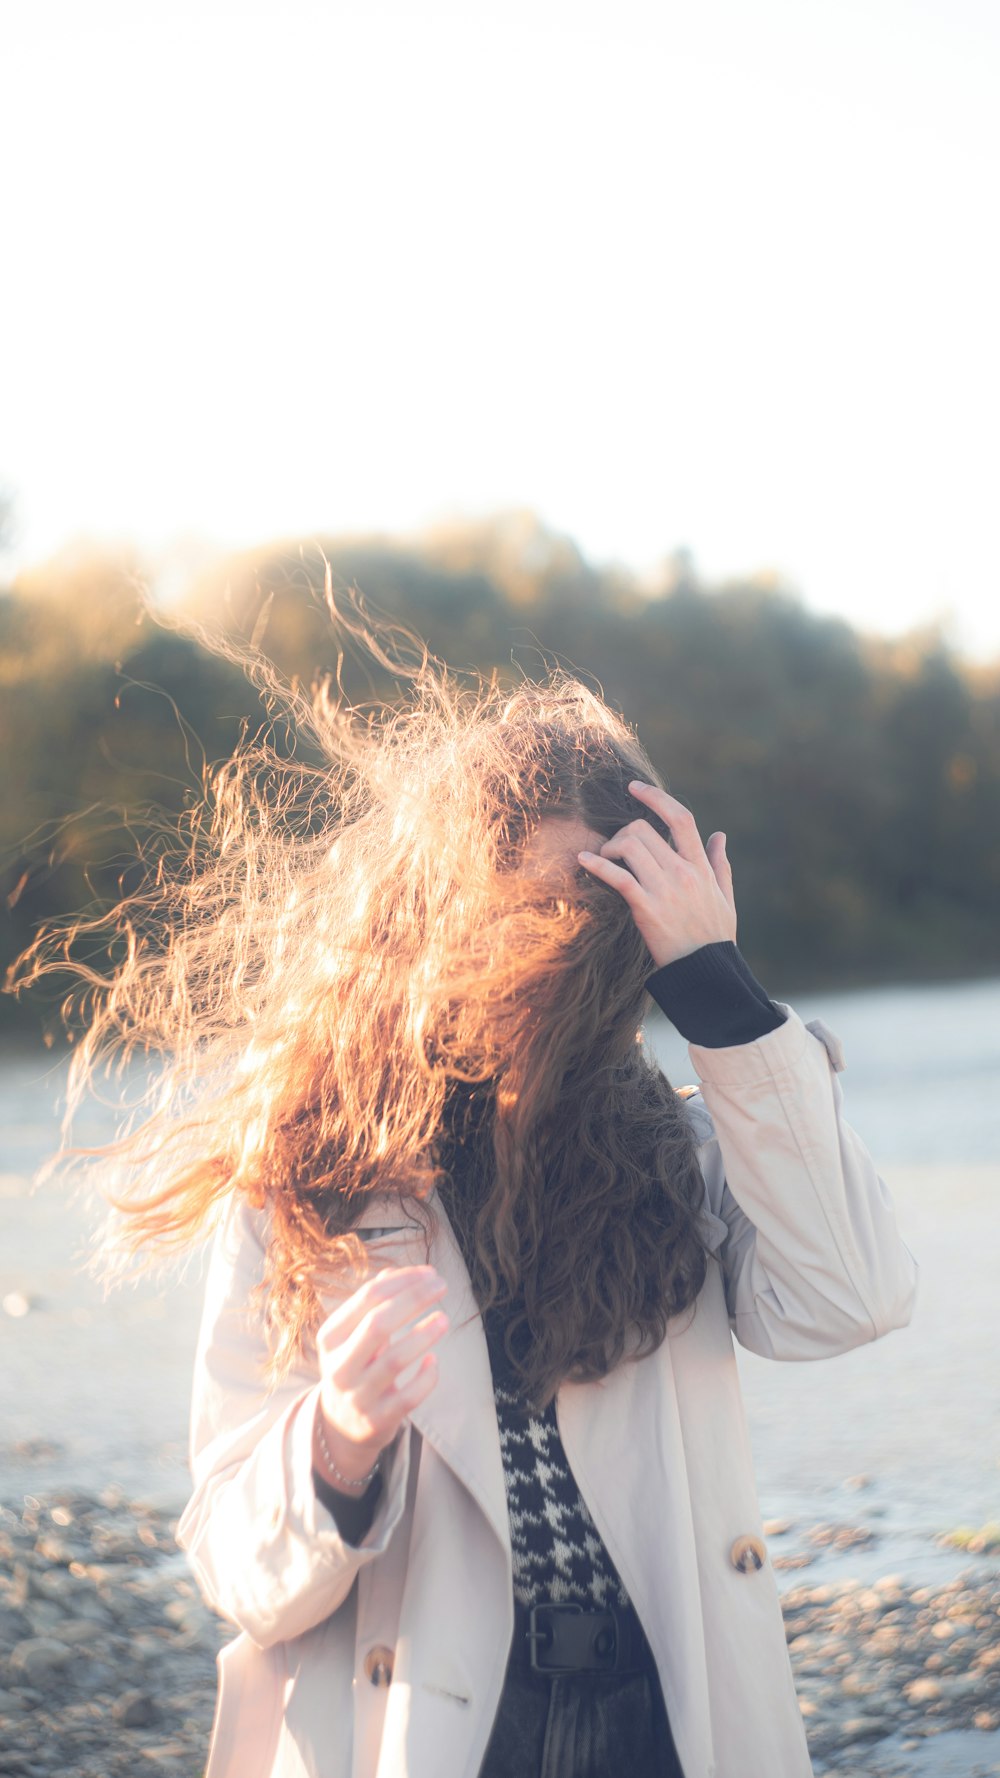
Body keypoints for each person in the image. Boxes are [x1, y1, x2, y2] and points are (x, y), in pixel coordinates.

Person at [20, 607, 917, 1778]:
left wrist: (722, 998)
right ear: (436, 914)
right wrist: (337, 1440)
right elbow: (236, 1564)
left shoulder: (678, 1148)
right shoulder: (306, 1174)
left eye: (608, 919)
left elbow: (850, 1297)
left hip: (673, 1712)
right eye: (535, 914)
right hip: (425, 1726)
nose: (563, 955)